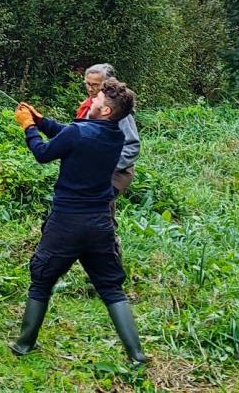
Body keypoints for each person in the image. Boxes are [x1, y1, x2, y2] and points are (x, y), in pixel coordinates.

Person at [10, 79, 147, 364]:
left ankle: (23, 345)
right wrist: (42, 121)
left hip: (66, 224)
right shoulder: (114, 137)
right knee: (111, 287)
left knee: (41, 280)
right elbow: (71, 135)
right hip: (100, 224)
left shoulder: (80, 133)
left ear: (106, 111)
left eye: (96, 100)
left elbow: (43, 153)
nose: (91, 101)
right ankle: (136, 355)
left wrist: (28, 126)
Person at [75, 63, 141, 198]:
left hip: (117, 173)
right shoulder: (88, 107)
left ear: (106, 85)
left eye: (95, 85)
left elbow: (132, 146)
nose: (90, 89)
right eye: (87, 84)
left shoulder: (117, 111)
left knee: (97, 205)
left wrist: (106, 166)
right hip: (92, 172)